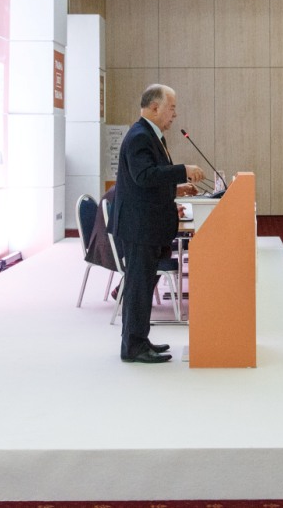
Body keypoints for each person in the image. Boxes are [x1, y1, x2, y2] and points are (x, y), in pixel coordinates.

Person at [110, 84, 204, 364]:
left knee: (143, 286)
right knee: (139, 288)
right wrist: (183, 171)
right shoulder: (140, 136)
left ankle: (139, 339)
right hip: (139, 227)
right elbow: (144, 176)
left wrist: (176, 188)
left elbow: (148, 180)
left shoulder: (149, 135)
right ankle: (133, 346)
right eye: (171, 108)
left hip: (146, 224)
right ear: (154, 107)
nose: (175, 114)